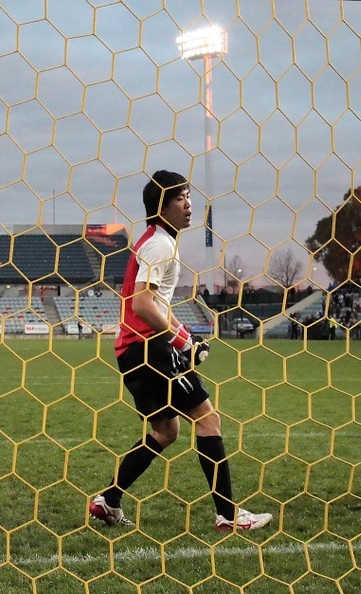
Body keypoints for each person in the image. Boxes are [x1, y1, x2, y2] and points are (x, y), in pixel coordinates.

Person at [89, 170, 273, 531]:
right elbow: (142, 304)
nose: (189, 204)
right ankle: (229, 516)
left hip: (133, 351)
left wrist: (185, 335)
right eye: (179, 198)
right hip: (147, 349)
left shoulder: (154, 240)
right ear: (161, 205)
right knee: (208, 420)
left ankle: (108, 501)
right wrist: (176, 340)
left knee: (166, 431)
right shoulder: (160, 244)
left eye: (189, 196)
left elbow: (155, 301)